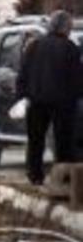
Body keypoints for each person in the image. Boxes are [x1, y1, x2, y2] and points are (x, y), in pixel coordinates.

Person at [16, 10, 83, 186]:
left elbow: (23, 74)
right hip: (62, 103)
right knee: (64, 141)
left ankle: (35, 175)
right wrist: (77, 97)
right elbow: (77, 78)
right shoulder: (70, 48)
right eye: (69, 26)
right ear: (65, 28)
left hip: (36, 101)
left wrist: (22, 96)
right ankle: (64, 177)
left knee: (35, 140)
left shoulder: (33, 46)